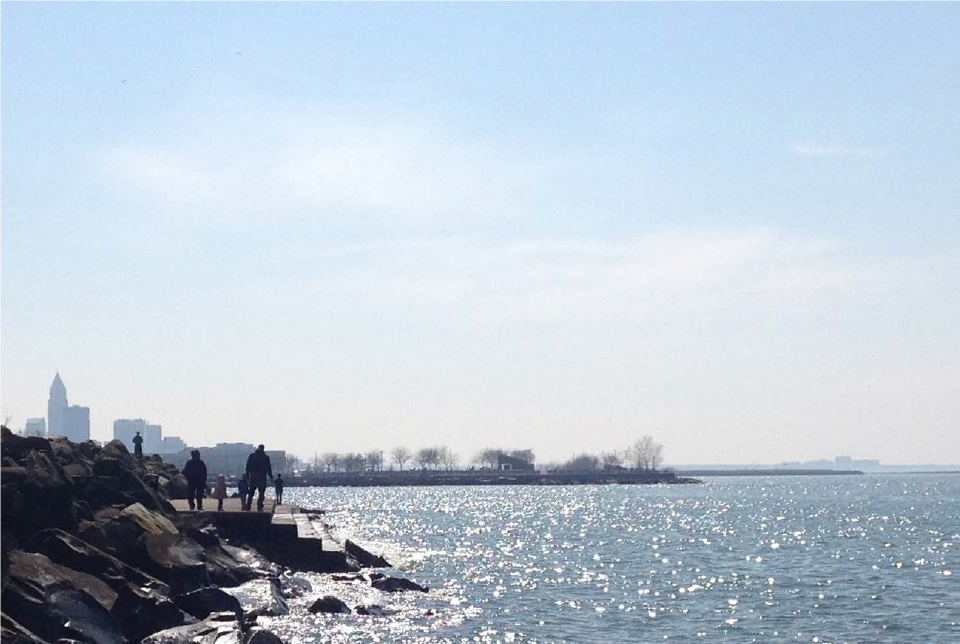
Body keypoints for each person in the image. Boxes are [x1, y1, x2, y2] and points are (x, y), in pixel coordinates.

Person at [245, 444, 273, 512]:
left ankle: (248, 506)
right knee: (261, 493)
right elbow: (268, 468)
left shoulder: (252, 456)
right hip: (262, 477)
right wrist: (270, 476)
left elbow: (248, 465)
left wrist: (247, 474)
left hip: (253, 476)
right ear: (263, 449)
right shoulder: (266, 457)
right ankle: (259, 506)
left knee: (251, 492)